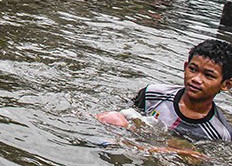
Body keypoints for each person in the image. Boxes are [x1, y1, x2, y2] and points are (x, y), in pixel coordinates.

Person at [97, 39, 232, 141]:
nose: (196, 79)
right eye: (192, 69)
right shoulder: (152, 94)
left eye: (208, 75)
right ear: (185, 67)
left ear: (226, 85)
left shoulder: (220, 133)